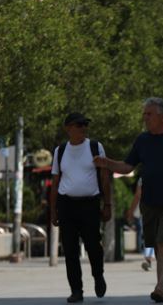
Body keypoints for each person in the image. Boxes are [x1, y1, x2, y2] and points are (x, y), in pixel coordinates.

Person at [93, 97, 163, 303]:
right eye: (144, 114)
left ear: (162, 117)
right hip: (149, 200)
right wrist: (105, 162)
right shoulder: (142, 140)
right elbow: (127, 167)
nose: (144, 118)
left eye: (149, 114)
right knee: (157, 243)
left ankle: (159, 287)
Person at [50, 112, 111, 303]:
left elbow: (104, 178)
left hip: (89, 204)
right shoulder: (60, 151)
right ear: (68, 128)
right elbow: (55, 181)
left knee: (94, 245)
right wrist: (53, 210)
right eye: (79, 125)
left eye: (85, 124)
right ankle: (76, 290)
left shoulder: (95, 147)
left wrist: (107, 204)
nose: (83, 128)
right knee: (70, 250)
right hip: (67, 205)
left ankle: (98, 275)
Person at [127, 178, 155, 271]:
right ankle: (149, 257)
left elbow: (138, 195)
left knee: (149, 234)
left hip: (147, 208)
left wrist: (131, 211)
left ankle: (149, 257)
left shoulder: (143, 178)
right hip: (162, 208)